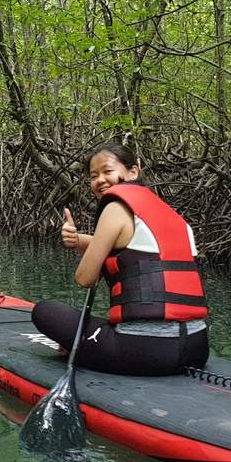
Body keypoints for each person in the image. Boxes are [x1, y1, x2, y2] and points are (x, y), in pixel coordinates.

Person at [31, 143, 209, 376]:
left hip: (146, 352)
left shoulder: (115, 208)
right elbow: (134, 250)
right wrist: (78, 240)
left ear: (133, 172)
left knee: (44, 311)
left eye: (107, 171)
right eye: (93, 176)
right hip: (197, 349)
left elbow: (84, 278)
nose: (100, 180)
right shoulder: (172, 217)